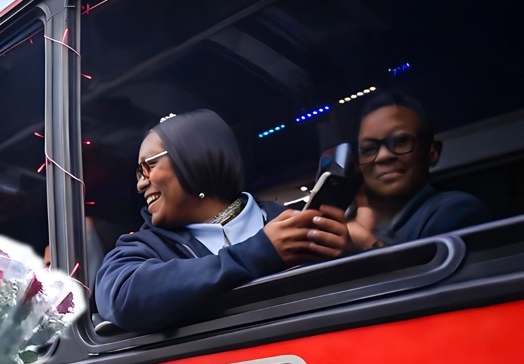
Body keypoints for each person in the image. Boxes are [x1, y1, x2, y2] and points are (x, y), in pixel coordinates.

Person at [95, 109, 351, 332]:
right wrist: (260, 253)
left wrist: (346, 255)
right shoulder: (140, 247)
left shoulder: (290, 221)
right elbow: (122, 297)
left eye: (148, 166)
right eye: (139, 172)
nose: (141, 183)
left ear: (195, 156)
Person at [347, 92, 490, 249]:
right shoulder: (356, 220)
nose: (383, 156)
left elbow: (434, 270)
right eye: (368, 149)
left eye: (401, 141)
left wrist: (366, 243)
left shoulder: (457, 211)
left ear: (431, 153)